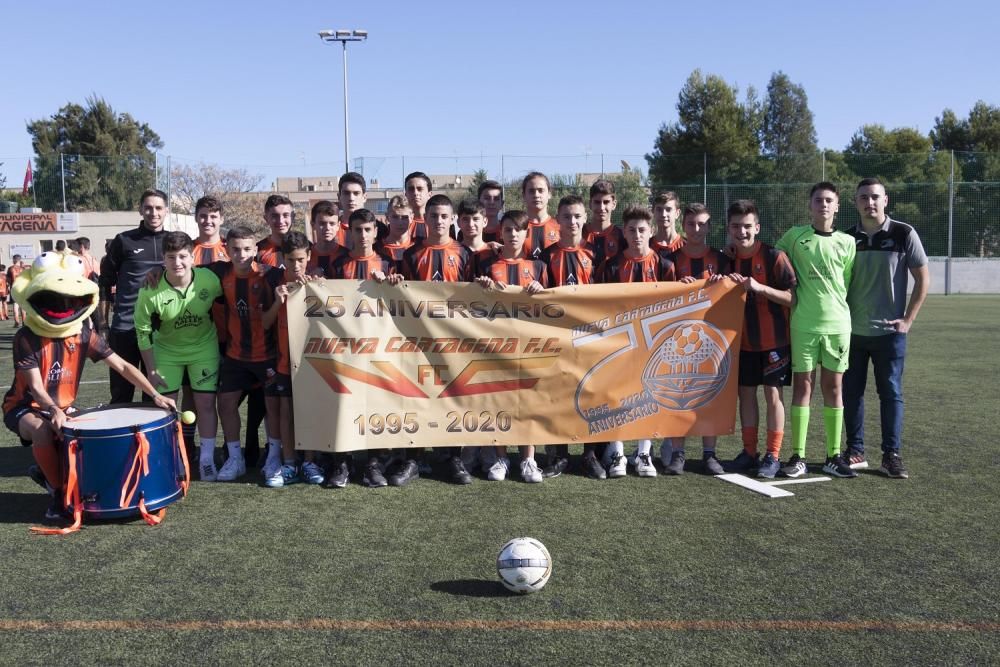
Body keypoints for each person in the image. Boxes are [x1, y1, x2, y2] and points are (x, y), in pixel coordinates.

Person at [4, 252, 176, 521]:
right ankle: (59, 493)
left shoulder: (83, 334)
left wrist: (155, 394)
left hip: (63, 406)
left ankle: (51, 473)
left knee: (84, 438)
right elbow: (35, 387)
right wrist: (53, 411)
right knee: (42, 430)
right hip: (25, 406)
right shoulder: (26, 337)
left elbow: (123, 366)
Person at [842, 178, 929, 479]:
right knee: (851, 393)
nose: (870, 202)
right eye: (864, 197)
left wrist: (908, 320)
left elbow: (923, 280)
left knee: (890, 393)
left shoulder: (904, 233)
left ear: (885, 200)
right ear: (856, 202)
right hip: (851, 332)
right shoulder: (846, 238)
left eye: (875, 197)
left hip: (890, 334)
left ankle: (891, 455)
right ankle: (855, 451)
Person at [775, 182, 857, 479]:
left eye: (829, 201)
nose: (823, 205)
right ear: (810, 205)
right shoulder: (795, 237)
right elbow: (774, 257)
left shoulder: (848, 242)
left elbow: (845, 281)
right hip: (803, 324)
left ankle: (834, 456)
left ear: (837, 207)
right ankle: (798, 456)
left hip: (837, 324)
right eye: (818, 200)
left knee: (834, 388)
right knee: (803, 386)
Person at [397, 194, 475, 485]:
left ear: (452, 219)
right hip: (417, 342)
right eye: (433, 216)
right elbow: (399, 298)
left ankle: (452, 457)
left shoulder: (465, 253)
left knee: (452, 399)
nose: (439, 221)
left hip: (454, 342)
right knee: (415, 398)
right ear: (425, 219)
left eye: (444, 216)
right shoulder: (411, 255)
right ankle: (413, 459)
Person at [133, 232, 223, 481]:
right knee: (165, 409)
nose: (177, 263)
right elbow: (142, 332)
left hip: (204, 348)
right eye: (171, 257)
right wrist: (150, 369)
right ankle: (173, 460)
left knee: (205, 404)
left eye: (183, 256)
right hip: (167, 353)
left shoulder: (209, 280)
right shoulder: (150, 290)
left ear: (193, 257)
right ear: (163, 259)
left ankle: (206, 460)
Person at [320, 210, 397, 488]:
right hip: (345, 349)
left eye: (367, 229)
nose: (362, 235)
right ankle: (342, 463)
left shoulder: (389, 263)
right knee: (344, 405)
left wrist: (393, 286)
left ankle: (374, 465)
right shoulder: (338, 265)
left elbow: (405, 305)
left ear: (376, 232)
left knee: (378, 405)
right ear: (349, 232)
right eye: (357, 230)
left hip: (382, 349)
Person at [598, 205, 675, 478]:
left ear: (651, 231)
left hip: (653, 344)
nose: (637, 235)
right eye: (631, 230)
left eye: (642, 230)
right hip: (619, 342)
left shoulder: (665, 265)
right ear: (624, 232)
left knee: (649, 394)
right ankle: (617, 452)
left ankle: (644, 452)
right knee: (617, 395)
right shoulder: (612, 266)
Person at [723, 200, 797, 479]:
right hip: (742, 341)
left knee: (772, 395)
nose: (741, 232)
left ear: (757, 227)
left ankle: (773, 455)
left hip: (774, 341)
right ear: (729, 229)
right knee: (745, 394)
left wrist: (760, 288)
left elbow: (793, 298)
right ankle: (749, 452)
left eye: (746, 226)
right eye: (736, 226)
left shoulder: (774, 256)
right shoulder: (727, 257)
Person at [475, 211, 548, 482]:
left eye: (518, 229)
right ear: (501, 233)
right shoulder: (486, 264)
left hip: (530, 342)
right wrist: (482, 286)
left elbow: (555, 302)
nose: (513, 234)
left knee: (527, 400)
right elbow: (472, 299)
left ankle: (528, 459)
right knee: (500, 398)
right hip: (496, 343)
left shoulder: (538, 266)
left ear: (526, 233)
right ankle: (501, 458)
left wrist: (542, 289)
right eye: (508, 229)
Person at [209, 227, 284, 482]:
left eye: (246, 249)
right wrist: (156, 272)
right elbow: (183, 271)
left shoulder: (271, 275)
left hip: (268, 356)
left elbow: (297, 278)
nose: (241, 254)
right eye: (235, 249)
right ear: (227, 250)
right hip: (235, 356)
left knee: (273, 408)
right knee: (226, 404)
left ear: (255, 251)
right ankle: (235, 458)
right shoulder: (218, 273)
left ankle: (274, 457)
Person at [662, 203, 731, 476]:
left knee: (709, 393)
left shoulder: (722, 259)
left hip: (711, 338)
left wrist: (727, 281)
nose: (697, 229)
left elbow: (735, 288)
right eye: (691, 224)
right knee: (679, 392)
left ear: (710, 227)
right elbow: (659, 295)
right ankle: (678, 454)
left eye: (702, 224)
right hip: (677, 339)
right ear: (684, 226)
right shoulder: (670, 260)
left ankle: (709, 454)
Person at [540, 194, 604, 478]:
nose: (573, 222)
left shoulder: (595, 253)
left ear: (584, 219)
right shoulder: (546, 256)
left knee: (590, 394)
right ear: (558, 219)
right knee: (559, 395)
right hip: (556, 339)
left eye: (578, 216)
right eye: (567, 217)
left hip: (590, 337)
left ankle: (590, 455)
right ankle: (559, 455)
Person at [260, 231, 326, 488]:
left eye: (300, 259)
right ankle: (289, 463)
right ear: (281, 258)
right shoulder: (273, 283)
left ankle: (309, 462)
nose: (296, 265)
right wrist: (278, 302)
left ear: (309, 257)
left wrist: (317, 290)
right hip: (285, 360)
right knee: (286, 411)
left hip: (312, 359)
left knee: (308, 410)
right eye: (290, 260)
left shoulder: (318, 283)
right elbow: (265, 323)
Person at [100, 189, 169, 403]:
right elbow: (104, 283)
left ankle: (149, 438)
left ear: (166, 210)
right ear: (140, 210)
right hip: (125, 327)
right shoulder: (124, 240)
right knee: (122, 394)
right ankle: (122, 438)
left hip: (160, 329)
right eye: (148, 207)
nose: (153, 213)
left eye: (158, 208)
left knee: (155, 393)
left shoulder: (175, 241)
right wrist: (102, 324)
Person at [585, 179, 626, 260]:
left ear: (614, 204)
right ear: (590, 204)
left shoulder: (622, 237)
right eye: (597, 202)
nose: (601, 207)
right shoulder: (580, 234)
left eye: (606, 202)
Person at [522, 172, 559, 259]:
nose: (536, 195)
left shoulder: (560, 227)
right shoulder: (515, 227)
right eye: (531, 191)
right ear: (524, 195)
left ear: (549, 194)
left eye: (540, 190)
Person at [377, 195, 416, 275]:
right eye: (395, 217)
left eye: (404, 217)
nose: (399, 222)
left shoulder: (417, 247)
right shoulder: (377, 248)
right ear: (387, 217)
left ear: (412, 218)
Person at [307, 200, 344, 274]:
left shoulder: (346, 255)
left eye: (332, 223)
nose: (327, 228)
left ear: (338, 226)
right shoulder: (305, 255)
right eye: (322, 223)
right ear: (313, 224)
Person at [256, 194, 293, 268]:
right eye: (275, 216)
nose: (280, 221)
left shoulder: (306, 246)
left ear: (293, 217)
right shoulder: (256, 250)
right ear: (266, 218)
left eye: (285, 215)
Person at [192, 196, 230, 265]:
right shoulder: (187, 249)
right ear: (196, 218)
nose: (208, 221)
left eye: (213, 217)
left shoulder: (231, 249)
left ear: (221, 220)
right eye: (203, 216)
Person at [404, 171, 433, 240]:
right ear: (406, 194)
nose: (415, 193)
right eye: (411, 189)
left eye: (420, 189)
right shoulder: (398, 223)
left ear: (429, 194)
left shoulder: (438, 223)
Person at [7, 255, 27, 327]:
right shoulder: (23, 269)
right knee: (22, 305)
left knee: (15, 305)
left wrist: (10, 285)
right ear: (19, 260)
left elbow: (8, 280)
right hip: (22, 288)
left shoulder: (10, 268)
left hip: (14, 288)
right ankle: (24, 322)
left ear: (14, 260)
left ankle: (17, 322)